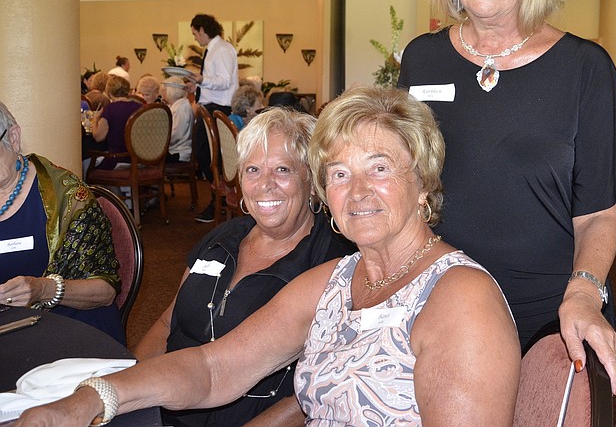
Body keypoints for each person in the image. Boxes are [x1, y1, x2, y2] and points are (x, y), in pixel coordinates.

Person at [16, 87, 520, 427]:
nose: (357, 191)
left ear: (424, 182)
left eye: (379, 167)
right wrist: (91, 398)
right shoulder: (336, 280)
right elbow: (214, 368)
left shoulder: (460, 300)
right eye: (339, 174)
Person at [397, 0, 616, 394]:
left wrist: (584, 293)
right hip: (439, 300)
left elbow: (597, 214)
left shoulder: (585, 68)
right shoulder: (422, 58)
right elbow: (408, 185)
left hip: (546, 313)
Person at [132, 108, 354, 427]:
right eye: (252, 170)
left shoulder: (332, 264)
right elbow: (168, 322)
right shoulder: (222, 238)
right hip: (163, 405)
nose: (265, 185)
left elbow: (311, 394)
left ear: (311, 179)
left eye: (282, 169)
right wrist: (128, 391)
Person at [0, 101, 124, 344]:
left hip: (70, 331)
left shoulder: (68, 199)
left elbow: (106, 291)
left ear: (13, 138)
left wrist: (45, 289)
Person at [185, 13, 239, 223]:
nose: (195, 38)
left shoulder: (222, 49)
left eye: (195, 33)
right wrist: (197, 86)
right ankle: (218, 197)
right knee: (207, 155)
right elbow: (215, 81)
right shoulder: (213, 49)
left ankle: (220, 197)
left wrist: (202, 79)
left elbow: (224, 81)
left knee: (210, 155)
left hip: (219, 107)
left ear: (203, 29)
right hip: (211, 105)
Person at [89, 75, 142, 170]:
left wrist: (95, 119)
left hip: (116, 159)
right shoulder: (139, 107)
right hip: (138, 159)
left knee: (88, 165)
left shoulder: (110, 109)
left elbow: (98, 137)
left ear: (109, 91)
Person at [160, 77, 193, 163]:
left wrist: (158, 142)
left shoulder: (181, 108)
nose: (162, 93)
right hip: (173, 149)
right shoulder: (176, 105)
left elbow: (177, 134)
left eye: (164, 90)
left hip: (178, 152)